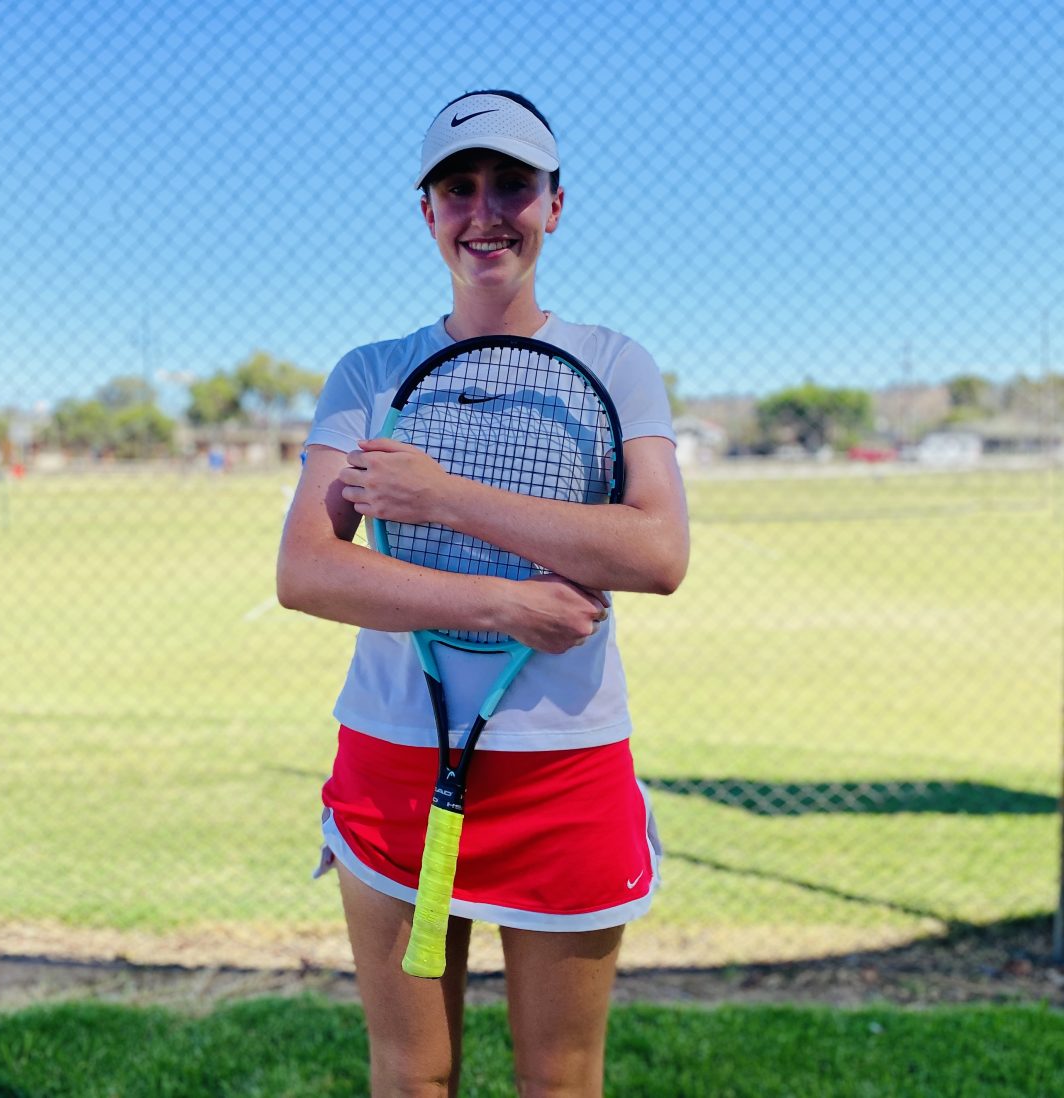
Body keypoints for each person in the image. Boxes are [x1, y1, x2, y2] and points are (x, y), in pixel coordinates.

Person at [277, 89, 690, 1098]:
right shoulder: (370, 375)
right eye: (458, 188)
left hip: (567, 763)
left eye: (513, 183)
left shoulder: (615, 364)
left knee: (558, 1078)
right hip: (395, 757)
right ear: (428, 214)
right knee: (415, 1075)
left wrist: (443, 497)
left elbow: (658, 549)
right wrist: (503, 607)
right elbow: (307, 570)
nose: (485, 210)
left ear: (556, 203)